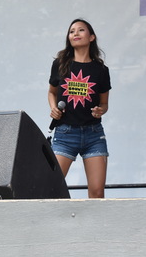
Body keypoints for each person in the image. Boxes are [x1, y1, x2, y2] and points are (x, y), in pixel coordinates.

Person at [48, 19, 111, 198]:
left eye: (81, 30)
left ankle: (95, 226)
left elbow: (105, 103)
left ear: (91, 37)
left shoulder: (101, 70)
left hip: (93, 134)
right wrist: (53, 108)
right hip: (65, 134)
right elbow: (52, 92)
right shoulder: (60, 64)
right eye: (71, 31)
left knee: (97, 192)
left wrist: (101, 110)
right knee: (51, 188)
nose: (75, 33)